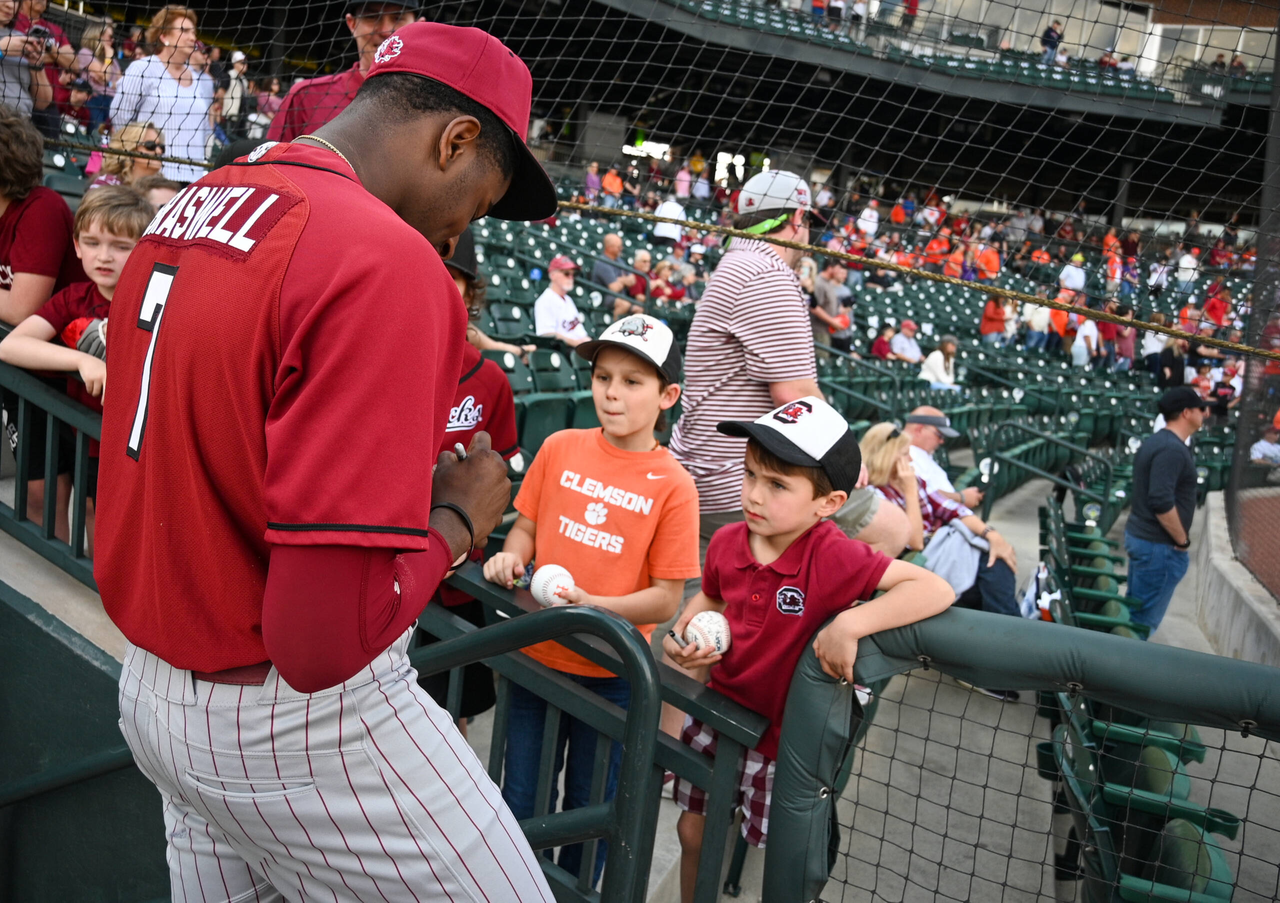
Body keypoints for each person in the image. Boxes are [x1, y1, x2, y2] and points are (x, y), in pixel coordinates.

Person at [94, 22, 560, 900]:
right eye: (481, 198)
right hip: (292, 717)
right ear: (454, 138)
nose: (463, 235)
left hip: (151, 691)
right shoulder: (385, 259)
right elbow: (319, 644)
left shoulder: (192, 204)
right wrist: (455, 518)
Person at [666, 398, 953, 902]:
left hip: (787, 744)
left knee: (785, 862)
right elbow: (713, 595)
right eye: (751, 474)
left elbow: (934, 589)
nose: (755, 494)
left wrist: (853, 621)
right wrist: (693, 627)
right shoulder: (727, 540)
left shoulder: (832, 552)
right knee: (693, 833)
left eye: (777, 485)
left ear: (829, 503)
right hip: (718, 717)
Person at [484, 315, 698, 884]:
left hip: (613, 673)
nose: (611, 392)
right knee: (519, 802)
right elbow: (526, 528)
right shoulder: (559, 445)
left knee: (588, 809)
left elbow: (663, 600)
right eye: (604, 376)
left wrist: (591, 603)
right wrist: (513, 556)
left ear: (668, 395)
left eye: (633, 381)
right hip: (536, 654)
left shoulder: (675, 483)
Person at [0, 186, 152, 552]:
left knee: (102, 516)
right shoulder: (75, 297)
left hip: (122, 439)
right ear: (77, 245)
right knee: (79, 503)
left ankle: (105, 592)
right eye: (93, 242)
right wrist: (82, 360)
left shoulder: (153, 300)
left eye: (120, 246)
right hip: (77, 429)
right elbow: (11, 344)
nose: (104, 256)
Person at [861, 423, 1020, 696]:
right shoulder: (873, 495)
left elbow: (954, 510)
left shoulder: (913, 480)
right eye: (903, 454)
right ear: (886, 456)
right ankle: (1015, 655)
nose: (911, 459)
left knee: (995, 563)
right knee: (993, 573)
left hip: (944, 551)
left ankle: (1010, 657)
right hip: (921, 563)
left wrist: (992, 535)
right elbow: (915, 542)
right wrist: (910, 491)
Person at [266, 0, 416, 141]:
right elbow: (268, 166)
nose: (385, 31)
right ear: (352, 23)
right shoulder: (306, 98)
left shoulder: (435, 106)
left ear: (419, 26)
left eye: (397, 18)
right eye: (372, 17)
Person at [1124, 388, 1207, 633]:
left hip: (1148, 541)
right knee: (1140, 624)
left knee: (1134, 616)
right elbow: (1160, 501)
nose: (1204, 413)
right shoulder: (1171, 449)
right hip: (1158, 546)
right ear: (1186, 413)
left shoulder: (1159, 442)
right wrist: (1182, 540)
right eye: (1200, 408)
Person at [110, 5, 214, 183]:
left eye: (193, 32)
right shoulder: (143, 68)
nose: (192, 38)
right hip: (153, 180)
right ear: (164, 36)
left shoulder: (202, 81)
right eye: (184, 31)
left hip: (193, 182)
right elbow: (120, 119)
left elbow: (204, 130)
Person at [903, 408, 983, 508]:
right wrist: (960, 497)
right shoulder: (905, 455)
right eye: (939, 435)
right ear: (919, 430)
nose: (942, 441)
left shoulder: (922, 453)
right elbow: (921, 492)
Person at [1, 3, 55, 117]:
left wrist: (36, 64)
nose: (10, 5)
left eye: (15, 0)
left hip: (21, 124)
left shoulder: (22, 40)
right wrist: (1, 50)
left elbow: (43, 103)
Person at [88, 120, 166, 189]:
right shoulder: (106, 184)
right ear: (130, 149)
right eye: (151, 145)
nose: (159, 151)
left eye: (161, 146)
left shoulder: (165, 189)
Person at [75, 19, 122, 131]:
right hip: (95, 98)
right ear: (98, 35)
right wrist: (109, 56)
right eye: (110, 37)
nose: (113, 40)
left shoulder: (113, 61)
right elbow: (105, 75)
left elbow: (121, 82)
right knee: (96, 133)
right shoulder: (85, 53)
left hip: (113, 101)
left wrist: (107, 82)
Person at [534, 254, 590, 347]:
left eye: (573, 275)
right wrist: (577, 343)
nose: (571, 278)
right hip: (564, 350)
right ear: (553, 275)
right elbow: (546, 333)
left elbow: (580, 332)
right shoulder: (544, 301)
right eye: (566, 273)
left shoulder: (568, 299)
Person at [810, 258, 850, 351]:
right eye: (838, 268)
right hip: (817, 331)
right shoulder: (819, 282)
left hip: (826, 331)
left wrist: (840, 311)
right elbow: (814, 307)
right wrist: (832, 321)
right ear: (830, 268)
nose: (840, 271)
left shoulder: (829, 283)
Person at [591, 231, 637, 296]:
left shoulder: (619, 260)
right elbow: (614, 288)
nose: (621, 249)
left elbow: (633, 280)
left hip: (621, 295)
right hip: (604, 297)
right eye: (618, 247)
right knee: (624, 304)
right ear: (609, 248)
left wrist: (620, 280)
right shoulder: (602, 262)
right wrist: (625, 281)